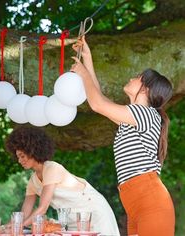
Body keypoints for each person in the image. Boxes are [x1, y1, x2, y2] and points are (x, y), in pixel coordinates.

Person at [71, 36, 175, 236]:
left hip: (151, 204)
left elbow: (97, 104)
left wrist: (83, 74)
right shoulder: (134, 119)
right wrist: (87, 58)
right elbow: (100, 100)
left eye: (137, 76)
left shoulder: (144, 113)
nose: (130, 78)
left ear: (145, 88)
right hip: (135, 203)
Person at [5, 126, 120, 235]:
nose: (19, 161)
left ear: (32, 150)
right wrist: (7, 227)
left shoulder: (51, 168)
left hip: (94, 212)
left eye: (22, 156)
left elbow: (42, 208)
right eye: (18, 157)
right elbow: (24, 213)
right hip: (72, 220)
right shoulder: (32, 181)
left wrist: (20, 226)